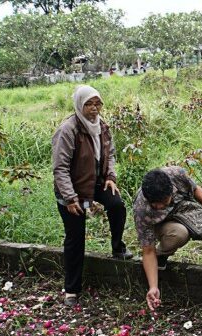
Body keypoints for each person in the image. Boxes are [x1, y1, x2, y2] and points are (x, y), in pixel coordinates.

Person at [53, 85, 132, 307]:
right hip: (72, 188)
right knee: (75, 237)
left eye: (97, 103)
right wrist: (70, 198)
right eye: (89, 104)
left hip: (96, 182)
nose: (94, 108)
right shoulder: (68, 130)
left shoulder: (103, 127)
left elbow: (111, 153)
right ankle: (71, 289)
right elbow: (60, 168)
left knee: (117, 205)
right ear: (79, 105)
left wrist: (110, 177)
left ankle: (118, 248)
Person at [133, 166, 202, 310]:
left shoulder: (176, 174)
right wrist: (153, 287)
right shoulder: (141, 210)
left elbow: (195, 189)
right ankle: (160, 258)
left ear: (171, 190)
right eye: (155, 205)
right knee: (179, 234)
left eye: (163, 202)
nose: (159, 206)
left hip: (186, 212)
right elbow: (147, 250)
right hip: (164, 225)